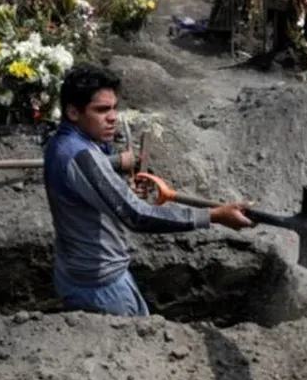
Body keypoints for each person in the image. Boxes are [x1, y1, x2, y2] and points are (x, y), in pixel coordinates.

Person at [43, 64, 253, 317]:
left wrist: (121, 191)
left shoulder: (60, 143)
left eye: (114, 108)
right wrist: (214, 215)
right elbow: (136, 216)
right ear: (73, 112)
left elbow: (86, 197)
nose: (113, 117)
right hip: (101, 288)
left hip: (76, 275)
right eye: (101, 110)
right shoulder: (82, 156)